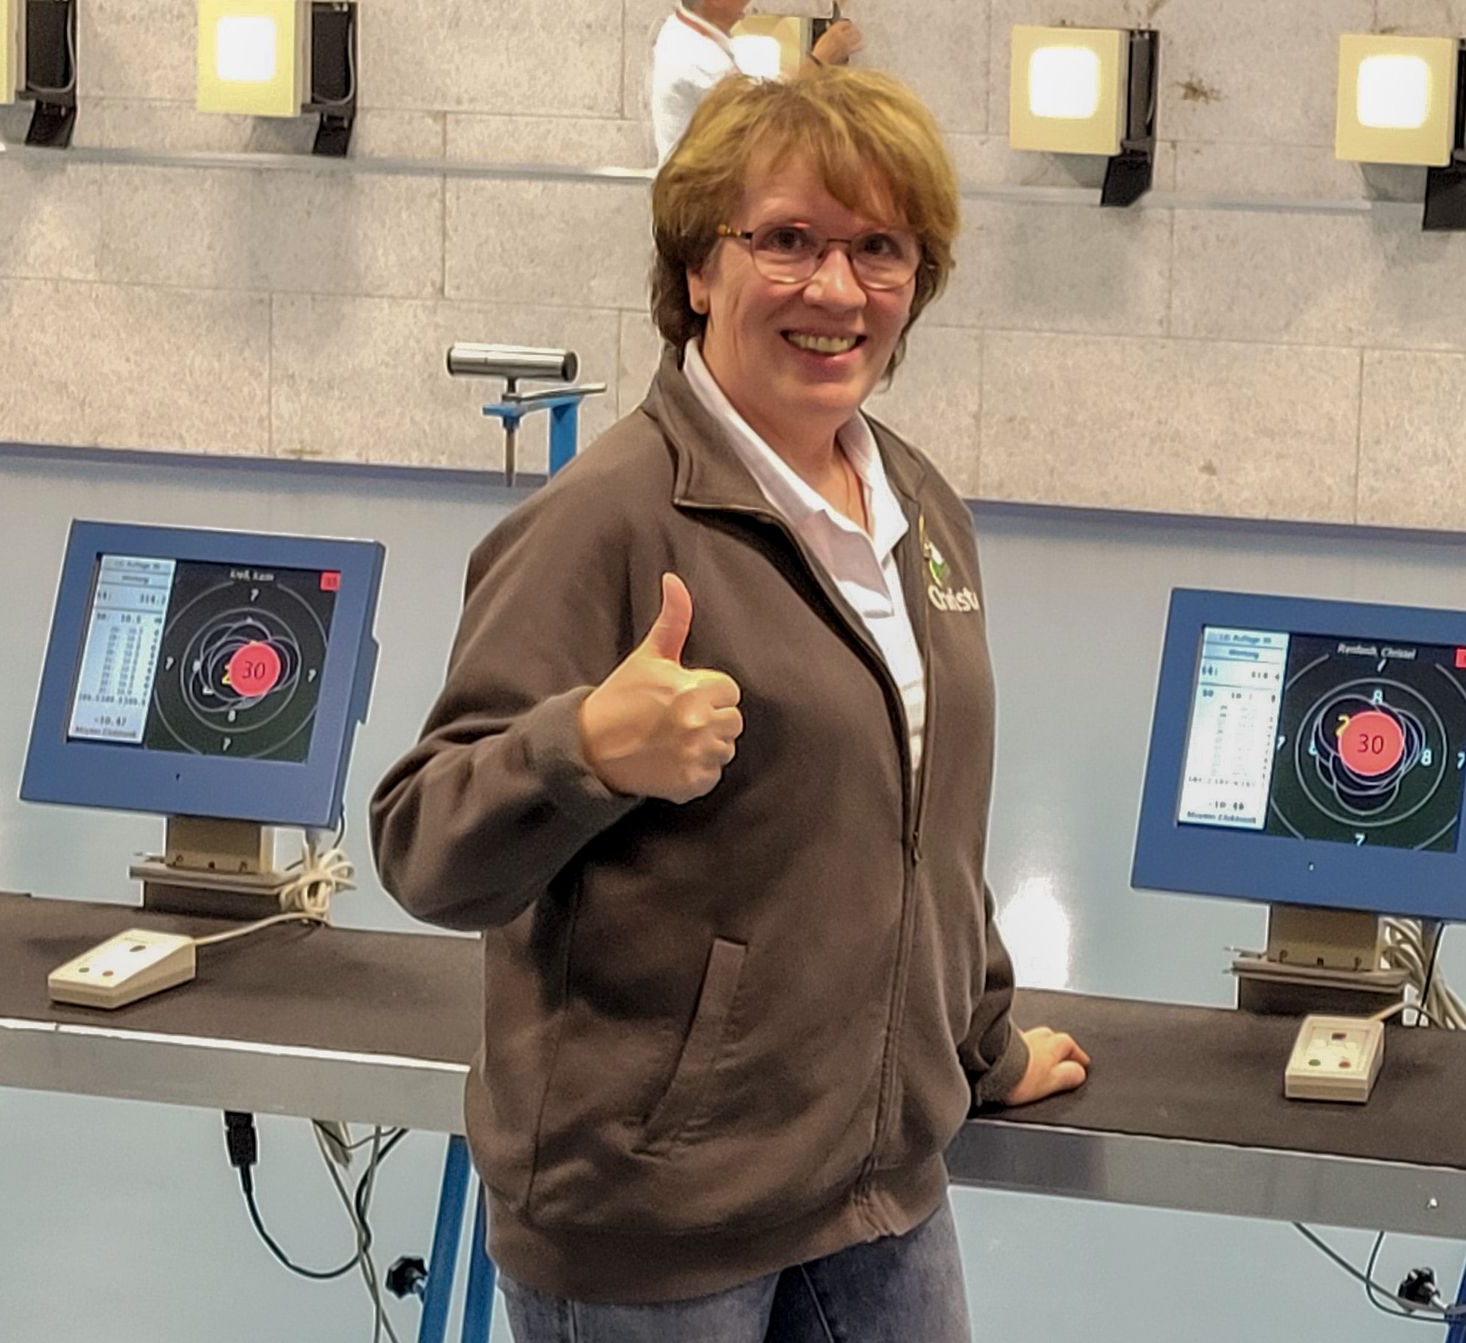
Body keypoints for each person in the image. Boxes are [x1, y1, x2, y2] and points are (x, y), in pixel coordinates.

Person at [370, 68, 1090, 1343]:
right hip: (655, 1224)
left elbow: (928, 830)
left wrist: (980, 1048)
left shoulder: (920, 509)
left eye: (880, 248)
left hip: (877, 1191)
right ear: (700, 267)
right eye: (789, 240)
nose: (837, 289)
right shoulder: (606, 518)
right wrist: (585, 747)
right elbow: (423, 842)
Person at [652, 0, 864, 162]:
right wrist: (819, 61)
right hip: (698, 198)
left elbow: (756, 93)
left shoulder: (687, 31)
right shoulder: (697, 58)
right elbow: (761, 124)